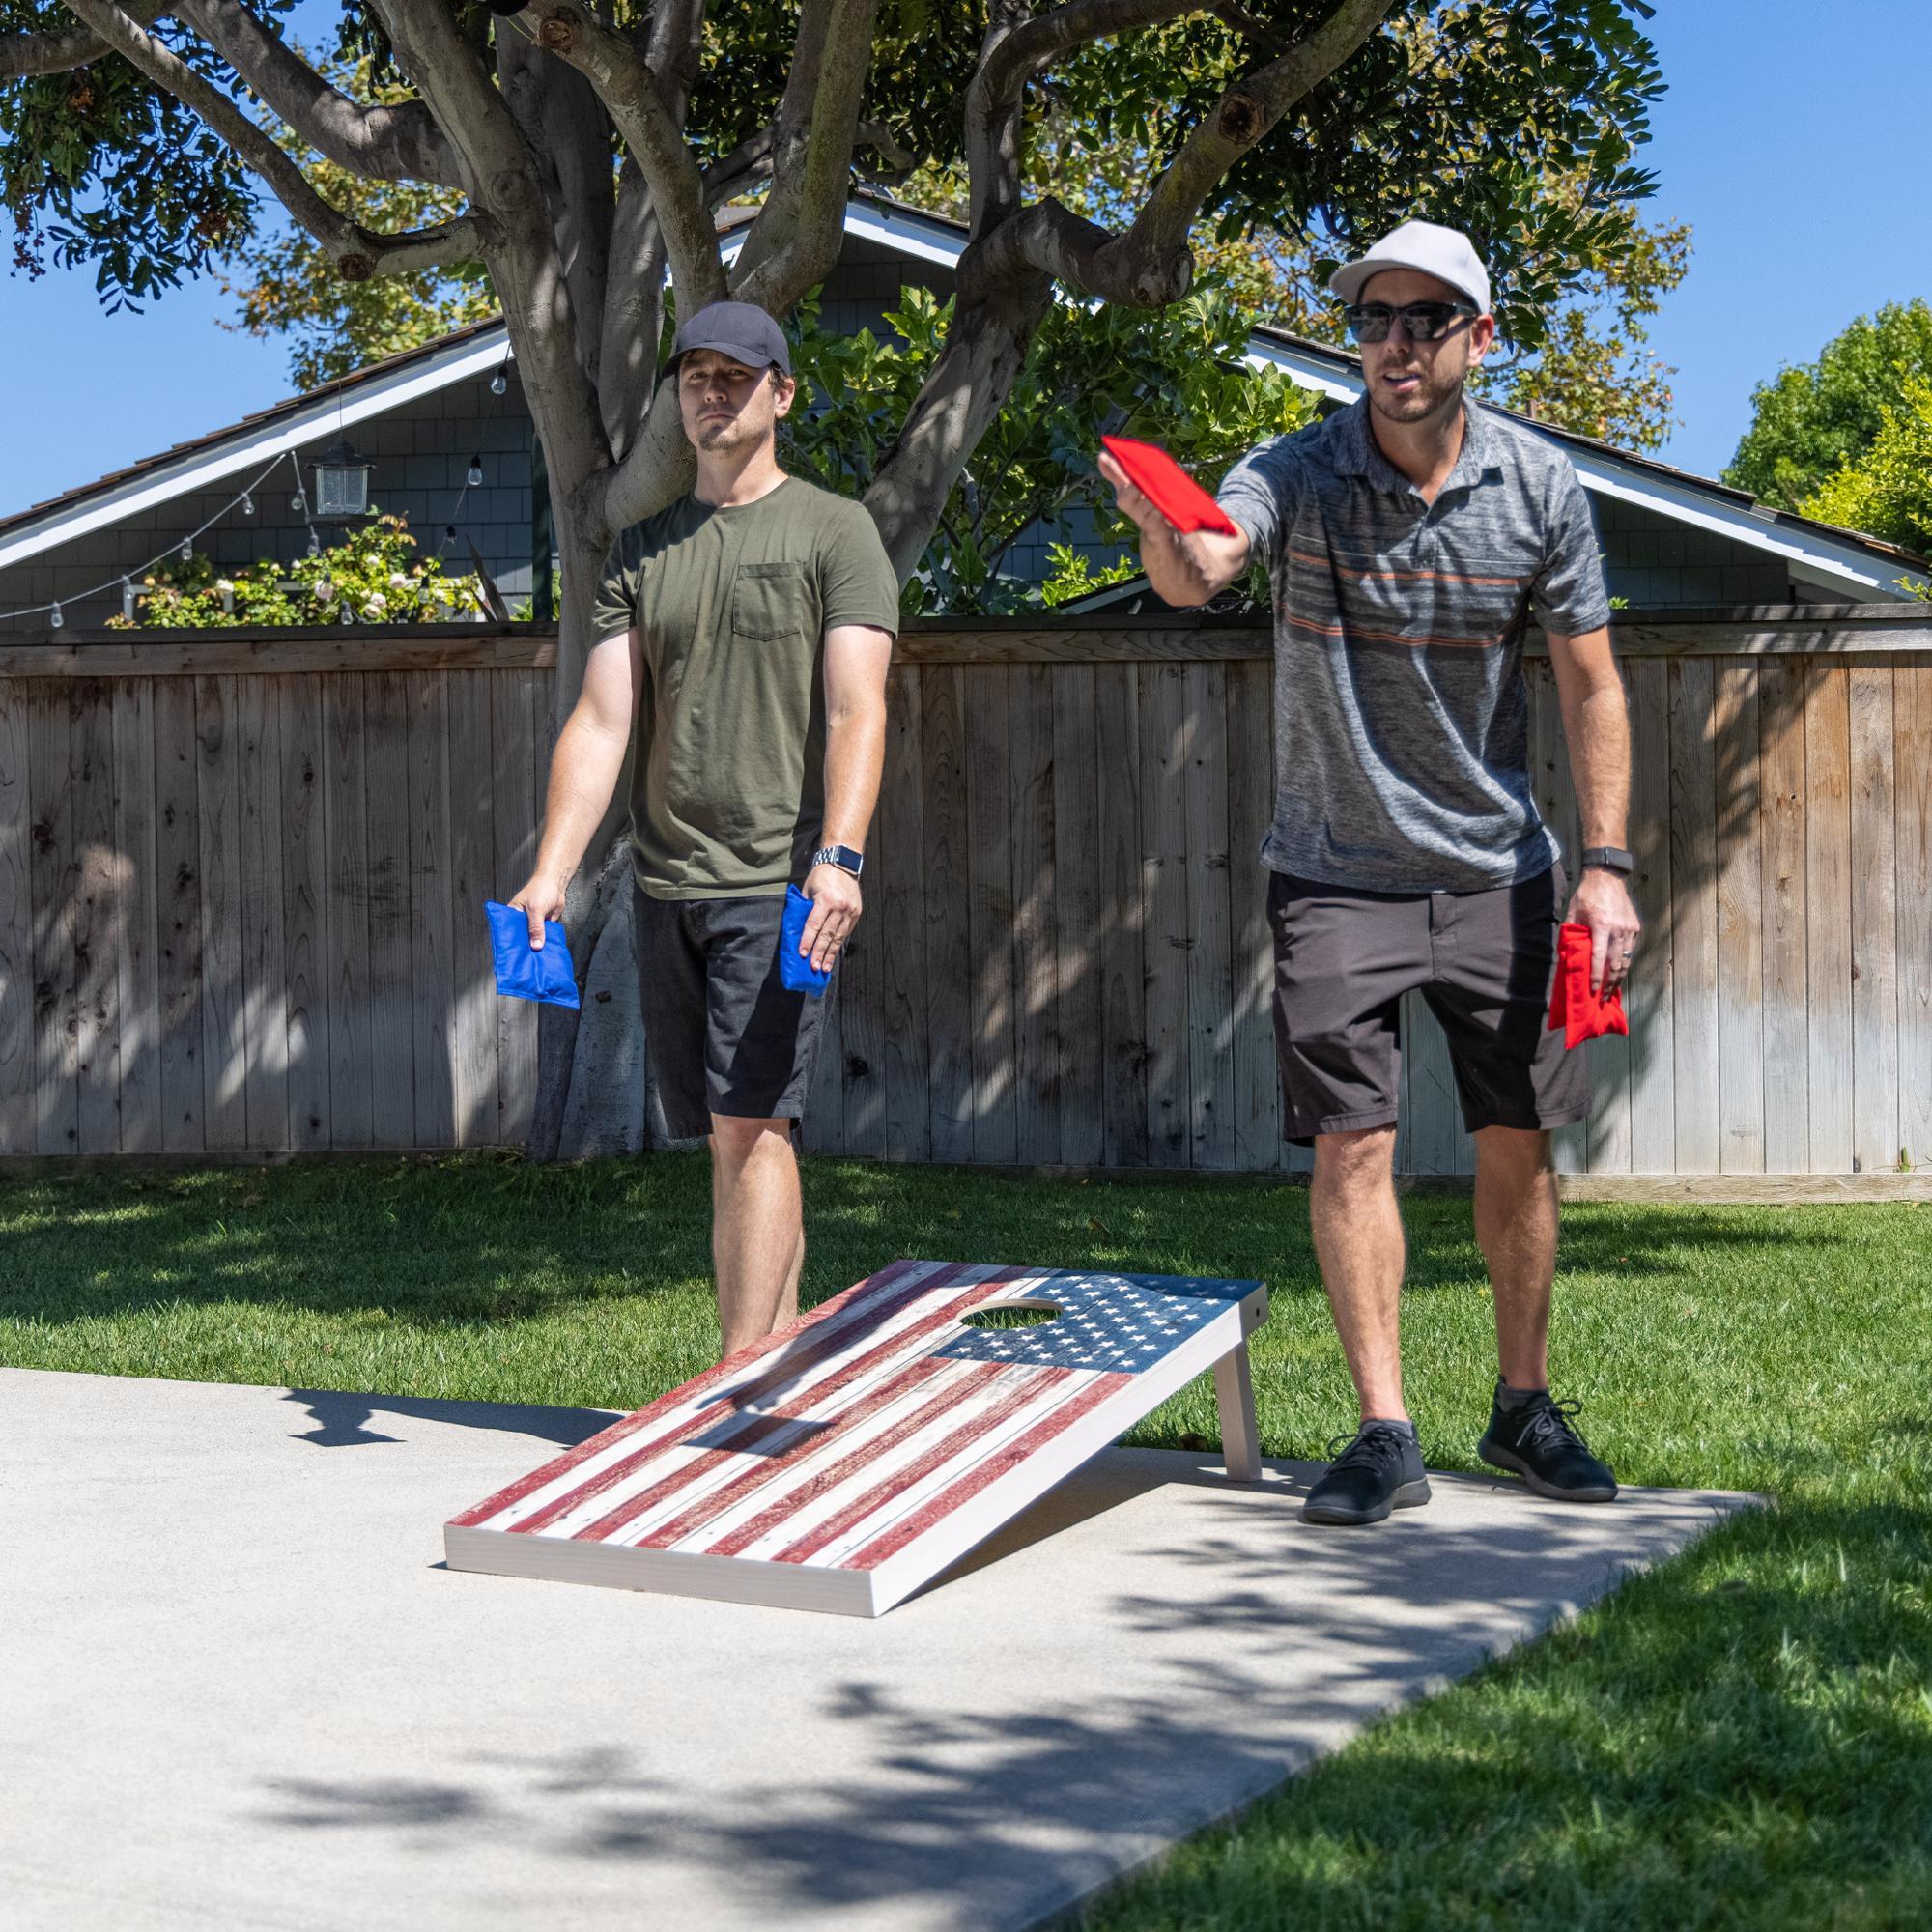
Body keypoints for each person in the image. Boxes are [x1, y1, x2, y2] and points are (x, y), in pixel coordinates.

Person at [1099, 220, 1640, 1526]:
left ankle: (1522, 1406)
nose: (1394, 342)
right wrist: (1169, 538)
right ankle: (1384, 1430)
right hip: (1335, 873)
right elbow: (1210, 565)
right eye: (1375, 318)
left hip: (1501, 872)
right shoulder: (1298, 467)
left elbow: (1593, 683)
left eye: (1424, 317)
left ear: (1479, 337)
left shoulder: (1540, 489)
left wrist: (1608, 867)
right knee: (1354, 1149)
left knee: (1521, 1139)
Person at [511, 300, 898, 1358]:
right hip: (665, 882)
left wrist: (840, 857)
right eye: (696, 376)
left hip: (780, 882)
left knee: (750, 1119)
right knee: (735, 1135)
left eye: (737, 375)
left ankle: (735, 1379)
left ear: (780, 393)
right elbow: (599, 719)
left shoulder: (833, 530)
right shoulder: (644, 551)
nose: (713, 392)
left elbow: (857, 707)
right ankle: (778, 1362)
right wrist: (551, 871)